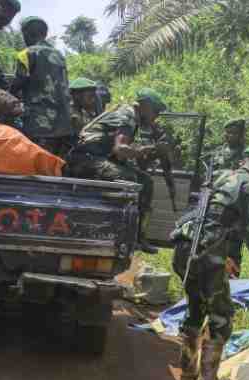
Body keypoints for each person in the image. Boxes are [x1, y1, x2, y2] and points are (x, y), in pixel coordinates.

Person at [171, 146, 249, 380]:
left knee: (195, 306)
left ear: (244, 160)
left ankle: (187, 366)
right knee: (221, 316)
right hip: (208, 254)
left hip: (185, 246)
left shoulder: (221, 175)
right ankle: (208, 378)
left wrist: (232, 254)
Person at [68, 88, 170, 254]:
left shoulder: (131, 117)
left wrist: (149, 151)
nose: (156, 117)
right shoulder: (128, 115)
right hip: (84, 159)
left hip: (94, 158)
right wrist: (150, 148)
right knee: (128, 179)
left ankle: (137, 237)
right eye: (155, 111)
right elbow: (120, 149)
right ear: (144, 106)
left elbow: (121, 154)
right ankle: (118, 232)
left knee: (144, 181)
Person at [11, 16, 72, 156]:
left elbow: (18, 83)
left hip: (39, 124)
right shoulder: (59, 56)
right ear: (44, 34)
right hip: (64, 124)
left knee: (38, 164)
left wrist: (5, 96)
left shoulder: (27, 53)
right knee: (57, 164)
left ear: (26, 33)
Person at [69, 78, 99, 145]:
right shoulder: (72, 115)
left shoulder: (82, 112)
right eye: (90, 97)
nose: (93, 100)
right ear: (77, 96)